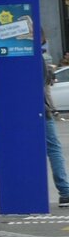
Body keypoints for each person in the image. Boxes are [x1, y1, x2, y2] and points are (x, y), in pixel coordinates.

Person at [45, 59, 69, 208]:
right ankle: (65, 191)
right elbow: (46, 94)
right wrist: (53, 110)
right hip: (42, 113)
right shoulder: (40, 64)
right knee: (54, 149)